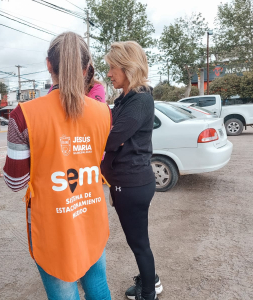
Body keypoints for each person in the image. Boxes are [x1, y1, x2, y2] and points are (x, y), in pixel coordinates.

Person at [3, 32, 112, 300]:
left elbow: (16, 183)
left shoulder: (24, 114)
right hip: (91, 218)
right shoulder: (104, 113)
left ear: (48, 65)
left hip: (52, 226)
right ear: (86, 69)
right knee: (98, 287)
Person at [101, 41, 162, 300]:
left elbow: (111, 140)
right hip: (126, 182)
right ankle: (149, 280)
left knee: (138, 243)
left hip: (132, 184)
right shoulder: (124, 99)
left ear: (127, 68)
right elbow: (114, 135)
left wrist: (113, 137)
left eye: (112, 67)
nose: (109, 73)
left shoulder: (140, 99)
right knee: (138, 241)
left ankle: (148, 292)